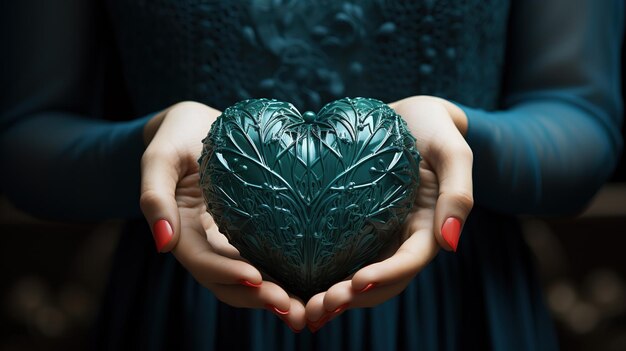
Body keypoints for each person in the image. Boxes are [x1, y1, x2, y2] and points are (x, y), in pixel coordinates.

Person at [1, 0, 623, 350]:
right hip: (189, 303)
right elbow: (23, 141)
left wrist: (460, 132)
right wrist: (151, 147)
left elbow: (582, 123)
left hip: (454, 310)